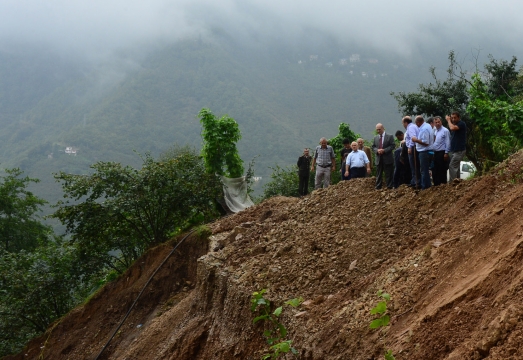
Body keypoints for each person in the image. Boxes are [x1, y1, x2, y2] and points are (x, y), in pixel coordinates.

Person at [412, 116, 434, 190]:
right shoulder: (427, 125)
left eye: (416, 123)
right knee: (425, 170)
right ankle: (428, 186)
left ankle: (425, 187)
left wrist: (416, 140)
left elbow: (426, 142)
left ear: (418, 122)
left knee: (423, 170)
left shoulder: (424, 129)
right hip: (426, 151)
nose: (416, 124)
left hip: (424, 152)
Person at [372, 123, 395, 189]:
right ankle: (378, 187)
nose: (378, 131)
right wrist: (377, 150)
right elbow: (373, 147)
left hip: (387, 158)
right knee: (378, 174)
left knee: (388, 173)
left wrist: (384, 150)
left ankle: (389, 186)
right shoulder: (375, 138)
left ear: (383, 128)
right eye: (377, 130)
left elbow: (392, 146)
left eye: (379, 129)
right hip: (378, 159)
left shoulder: (390, 136)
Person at [446, 111, 467, 181]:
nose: (453, 119)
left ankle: (452, 183)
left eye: (455, 118)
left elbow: (452, 128)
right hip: (454, 150)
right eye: (452, 118)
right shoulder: (454, 125)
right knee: (456, 167)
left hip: (460, 150)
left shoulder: (461, 124)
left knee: (452, 166)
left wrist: (448, 120)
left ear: (459, 117)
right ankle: (457, 182)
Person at [402, 116, 420, 189]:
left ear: (406, 123)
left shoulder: (411, 127)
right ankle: (414, 181)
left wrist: (410, 147)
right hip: (414, 148)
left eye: (403, 123)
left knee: (414, 166)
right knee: (414, 166)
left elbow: (413, 138)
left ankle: (416, 182)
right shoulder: (414, 126)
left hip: (413, 148)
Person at [432, 116, 450, 186]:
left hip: (442, 152)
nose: (437, 123)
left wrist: (446, 152)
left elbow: (448, 142)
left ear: (441, 122)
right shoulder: (435, 131)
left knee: (442, 169)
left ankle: (443, 184)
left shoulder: (445, 131)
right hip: (435, 153)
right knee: (435, 170)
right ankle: (437, 185)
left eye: (438, 122)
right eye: (436, 122)